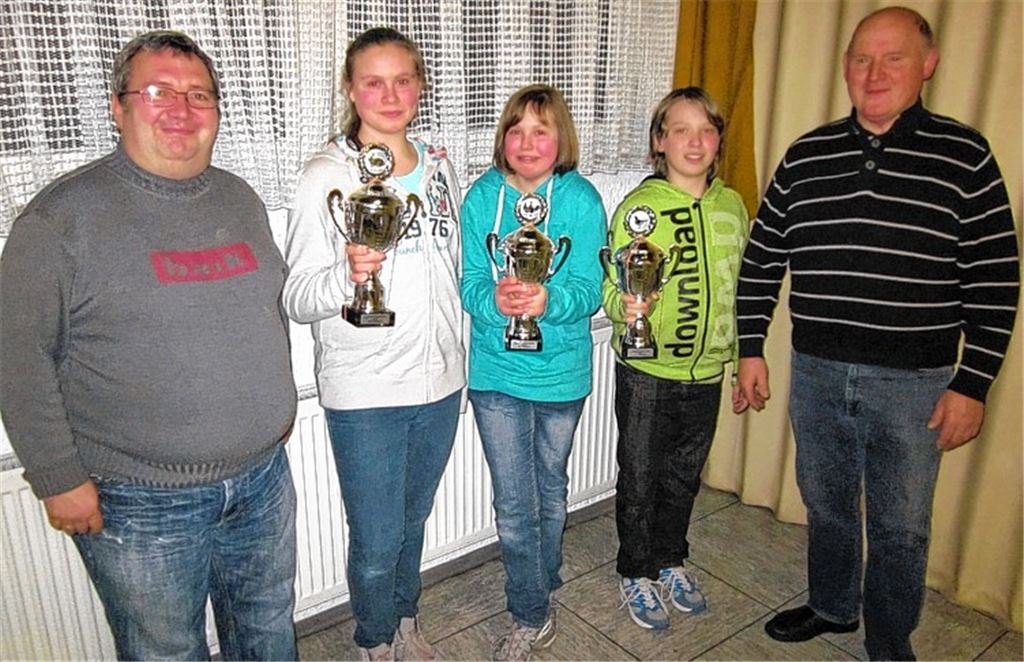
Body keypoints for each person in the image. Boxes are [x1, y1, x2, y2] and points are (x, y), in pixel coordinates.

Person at [0, 31, 299, 660]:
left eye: (199, 95)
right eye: (159, 91)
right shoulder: (61, 220)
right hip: (139, 500)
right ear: (118, 105)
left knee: (268, 627)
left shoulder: (240, 197)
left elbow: (261, 313)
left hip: (262, 479)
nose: (182, 110)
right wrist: (57, 477)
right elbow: (17, 357)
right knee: (166, 650)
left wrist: (273, 415)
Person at [735, 7, 1019, 660]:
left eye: (894, 57)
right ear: (844, 69)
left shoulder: (966, 156)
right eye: (861, 57)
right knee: (827, 506)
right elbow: (763, 259)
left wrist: (972, 383)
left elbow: (995, 277)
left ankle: (889, 643)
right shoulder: (807, 155)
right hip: (816, 372)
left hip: (915, 384)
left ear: (929, 64)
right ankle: (833, 607)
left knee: (900, 529)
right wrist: (751, 347)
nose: (875, 71)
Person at [283, 27, 464, 662]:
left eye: (403, 79)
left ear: (420, 87)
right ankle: (374, 640)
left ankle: (405, 619)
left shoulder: (440, 166)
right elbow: (297, 296)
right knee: (377, 534)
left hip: (441, 382)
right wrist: (347, 274)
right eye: (373, 81)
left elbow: (453, 267)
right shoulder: (325, 176)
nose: (390, 94)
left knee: (412, 522)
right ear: (350, 90)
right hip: (365, 392)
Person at [460, 84, 606, 661]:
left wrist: (551, 301)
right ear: (503, 139)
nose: (527, 142)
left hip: (562, 374)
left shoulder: (583, 199)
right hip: (496, 374)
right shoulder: (481, 198)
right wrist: (496, 298)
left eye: (541, 130)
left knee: (550, 489)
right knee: (515, 504)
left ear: (560, 139)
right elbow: (469, 283)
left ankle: (542, 579)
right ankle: (530, 612)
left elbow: (591, 288)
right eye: (516, 129)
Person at [602, 87, 749, 630]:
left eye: (705, 130)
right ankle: (635, 571)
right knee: (640, 477)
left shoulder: (732, 205)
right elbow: (610, 288)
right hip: (647, 372)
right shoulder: (640, 209)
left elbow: (741, 290)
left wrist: (738, 359)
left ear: (718, 142)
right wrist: (627, 305)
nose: (694, 141)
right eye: (679, 130)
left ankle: (670, 559)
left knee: (684, 475)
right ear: (659, 142)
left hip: (706, 372)